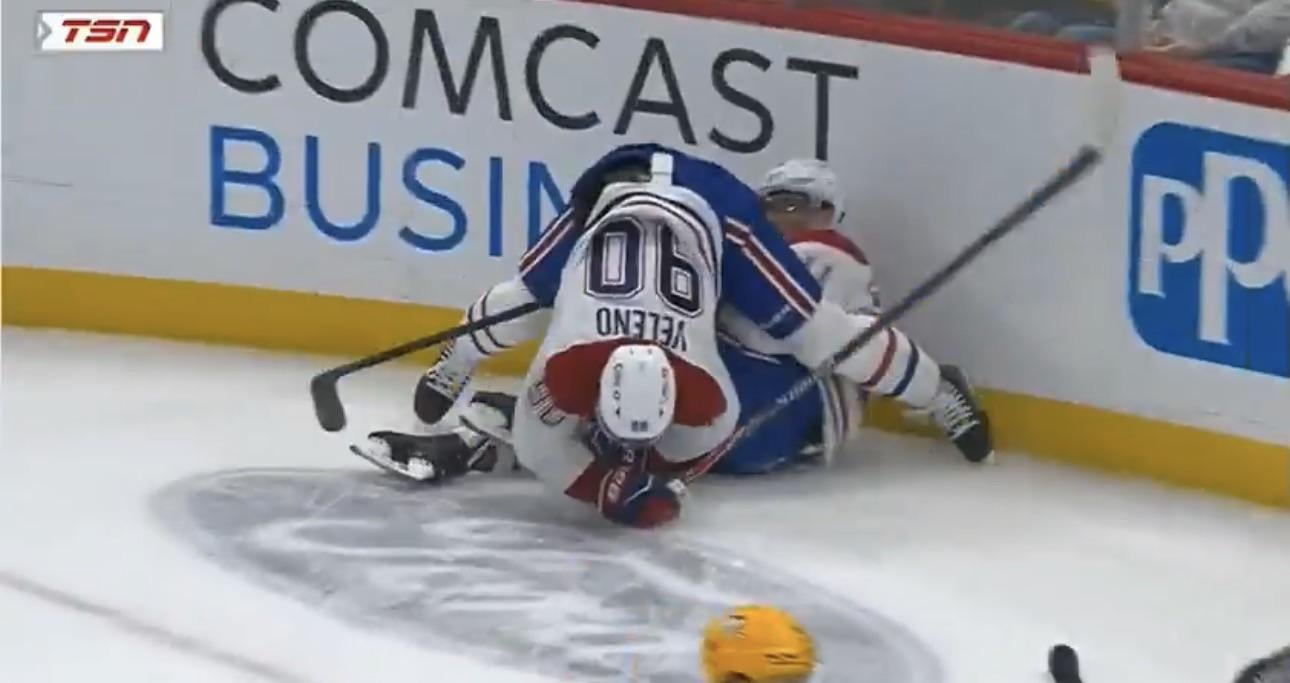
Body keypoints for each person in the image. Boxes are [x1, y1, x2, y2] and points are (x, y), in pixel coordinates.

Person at [354, 144, 991, 529]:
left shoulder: (796, 250)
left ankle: (939, 391)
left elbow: (512, 309)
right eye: (777, 203)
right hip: (625, 205)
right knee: (530, 300)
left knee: (815, 334)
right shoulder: (686, 374)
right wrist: (628, 488)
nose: (788, 217)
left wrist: (605, 480)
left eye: (804, 205)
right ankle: (477, 398)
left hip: (701, 215)